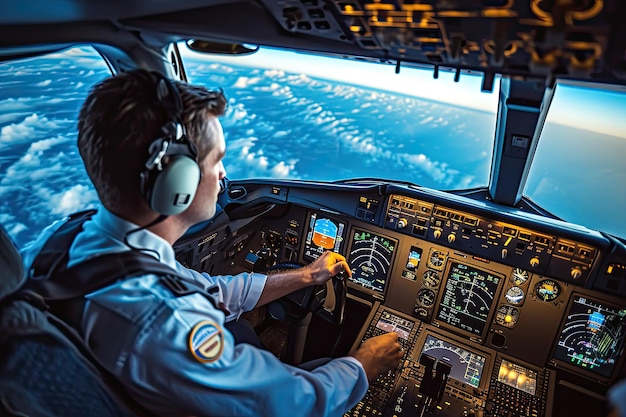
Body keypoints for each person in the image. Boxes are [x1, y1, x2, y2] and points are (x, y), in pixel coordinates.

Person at [21, 69, 402, 417]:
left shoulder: (62, 239)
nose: (223, 174)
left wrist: (306, 276)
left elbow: (210, 291)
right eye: (217, 159)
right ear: (176, 181)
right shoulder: (163, 321)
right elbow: (288, 406)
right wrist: (364, 364)